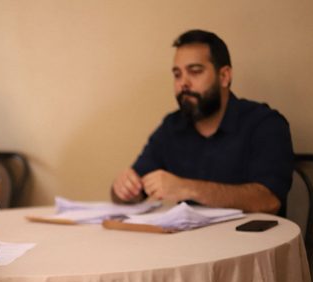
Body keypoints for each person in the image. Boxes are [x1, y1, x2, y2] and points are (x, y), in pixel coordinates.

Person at [111, 29, 294, 215]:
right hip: (190, 233)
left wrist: (188, 188)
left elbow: (268, 200)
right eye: (177, 74)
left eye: (195, 72)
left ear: (224, 76)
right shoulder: (171, 126)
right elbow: (134, 189)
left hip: (249, 234)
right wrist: (124, 189)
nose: (183, 83)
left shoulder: (264, 123)